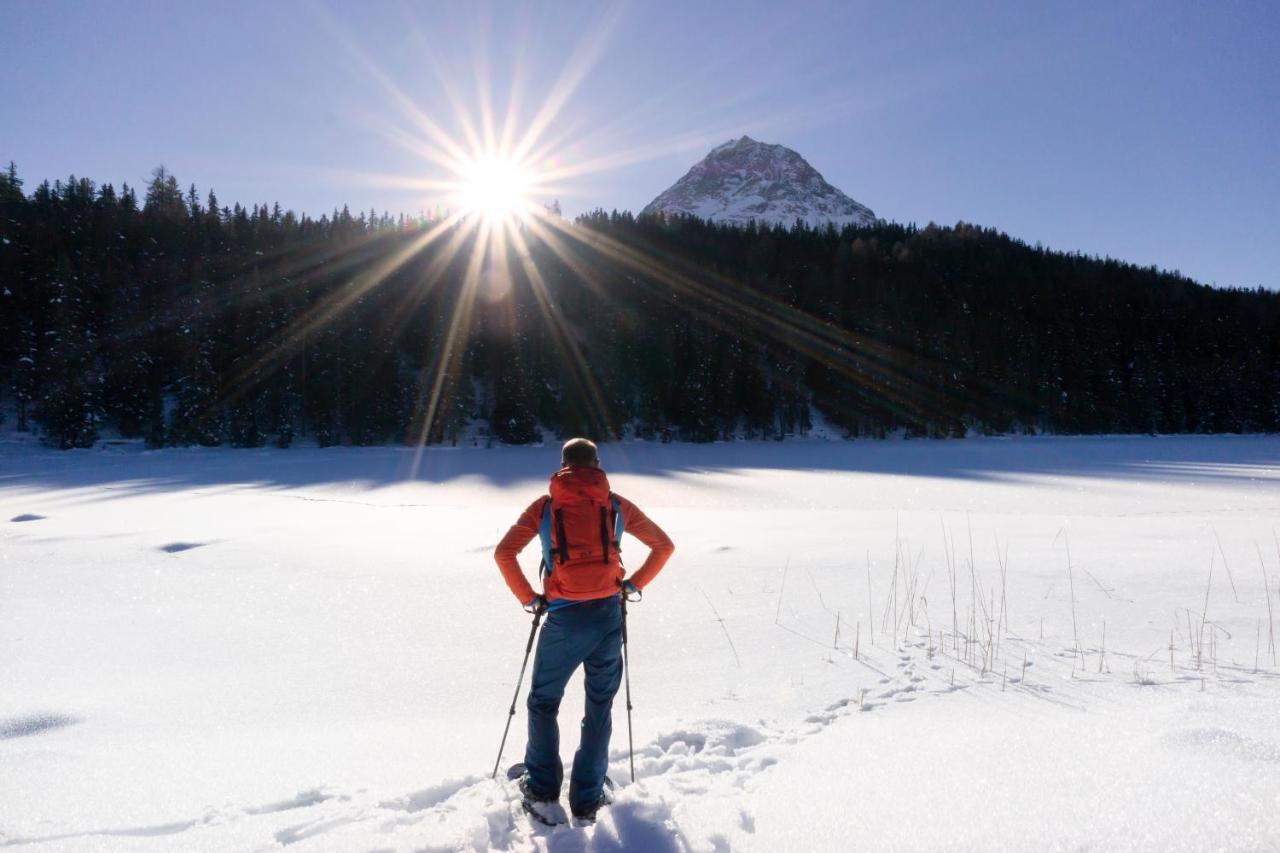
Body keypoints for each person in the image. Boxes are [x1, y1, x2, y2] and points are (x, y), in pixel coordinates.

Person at [493, 437, 675, 820]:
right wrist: (632, 585)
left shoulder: (545, 507)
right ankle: (588, 796)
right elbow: (664, 546)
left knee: (543, 702)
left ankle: (542, 789)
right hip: (607, 616)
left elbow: (503, 553)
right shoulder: (615, 505)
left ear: (563, 465)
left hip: (562, 617)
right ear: (597, 464)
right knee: (599, 705)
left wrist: (529, 598)